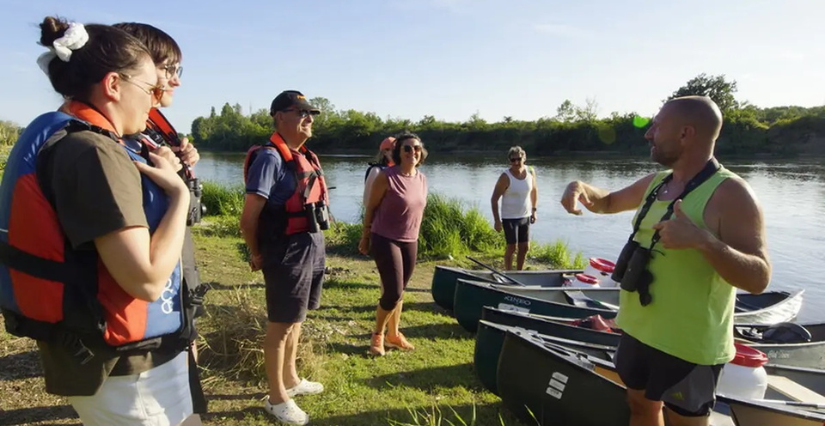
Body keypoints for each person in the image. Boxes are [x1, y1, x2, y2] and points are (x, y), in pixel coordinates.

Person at [0, 17, 197, 425]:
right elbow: (144, 280)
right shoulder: (94, 152)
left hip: (133, 356)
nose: (153, 100)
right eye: (149, 88)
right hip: (125, 368)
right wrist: (178, 194)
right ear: (113, 86)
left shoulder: (79, 136)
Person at [560, 96, 771, 426]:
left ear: (686, 134)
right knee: (640, 408)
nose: (648, 133)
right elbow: (609, 202)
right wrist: (580, 186)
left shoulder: (732, 194)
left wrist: (703, 241)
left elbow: (759, 278)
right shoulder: (657, 182)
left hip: (689, 344)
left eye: (657, 126)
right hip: (637, 328)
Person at [112, 22, 208, 417]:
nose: (174, 82)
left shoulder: (155, 134)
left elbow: (190, 212)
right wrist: (175, 184)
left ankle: (191, 403)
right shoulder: (117, 139)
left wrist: (187, 173)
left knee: (189, 337)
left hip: (178, 271)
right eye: (170, 70)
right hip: (141, 307)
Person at [240, 90, 328, 425]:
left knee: (297, 317)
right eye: (301, 112)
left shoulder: (303, 154)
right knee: (281, 323)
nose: (309, 118)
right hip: (286, 249)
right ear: (280, 116)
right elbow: (248, 219)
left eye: (311, 113)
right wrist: (256, 252)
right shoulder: (270, 158)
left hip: (310, 245)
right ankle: (276, 398)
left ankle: (291, 379)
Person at [359, 131, 429, 357]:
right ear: (398, 152)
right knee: (392, 291)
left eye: (416, 148)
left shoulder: (421, 179)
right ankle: (378, 335)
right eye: (407, 148)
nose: (412, 152)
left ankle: (394, 334)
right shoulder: (386, 176)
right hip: (385, 238)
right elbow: (370, 208)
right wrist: (365, 236)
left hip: (410, 240)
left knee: (400, 292)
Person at [490, 146, 537, 270]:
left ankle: (519, 272)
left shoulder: (531, 171)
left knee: (525, 247)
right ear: (509, 161)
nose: (516, 162)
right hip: (509, 217)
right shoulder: (505, 177)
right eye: (513, 160)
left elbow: (534, 191)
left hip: (525, 215)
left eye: (519, 159)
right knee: (512, 247)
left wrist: (534, 210)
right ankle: (509, 273)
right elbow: (494, 199)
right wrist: (497, 220)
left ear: (524, 158)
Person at [362, 136, 395, 206]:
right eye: (394, 150)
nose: (398, 153)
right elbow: (367, 201)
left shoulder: (399, 170)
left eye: (399, 150)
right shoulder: (376, 171)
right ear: (385, 152)